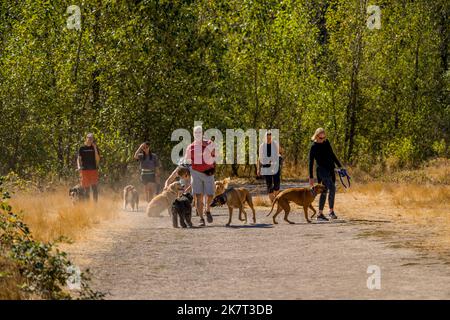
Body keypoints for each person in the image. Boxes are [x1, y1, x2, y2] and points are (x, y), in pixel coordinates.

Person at [308, 128, 344, 221]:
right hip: (321, 171)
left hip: (330, 170)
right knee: (332, 188)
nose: (322, 140)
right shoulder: (313, 147)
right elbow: (310, 162)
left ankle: (320, 214)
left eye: (324, 138)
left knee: (325, 190)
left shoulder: (326, 143)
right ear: (316, 136)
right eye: (320, 138)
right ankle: (330, 212)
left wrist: (340, 166)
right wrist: (311, 177)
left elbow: (332, 155)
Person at [184, 126, 216, 227]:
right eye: (196, 132)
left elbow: (216, 154)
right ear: (193, 134)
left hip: (208, 172)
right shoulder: (190, 147)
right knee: (198, 196)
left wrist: (206, 146)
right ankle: (202, 219)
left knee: (210, 195)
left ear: (202, 133)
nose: (198, 134)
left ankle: (207, 210)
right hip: (196, 173)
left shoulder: (209, 143)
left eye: (199, 132)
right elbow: (186, 160)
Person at [257, 131, 283, 202]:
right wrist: (258, 169)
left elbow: (280, 152)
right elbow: (259, 158)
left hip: (275, 165)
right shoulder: (262, 146)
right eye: (267, 138)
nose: (269, 139)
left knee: (277, 183)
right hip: (266, 166)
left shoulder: (275, 144)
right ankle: (273, 202)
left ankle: (277, 199)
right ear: (265, 138)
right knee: (269, 184)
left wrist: (279, 156)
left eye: (270, 137)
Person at [77, 133, 100, 202]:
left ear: (93, 139)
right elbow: (78, 158)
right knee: (86, 189)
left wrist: (95, 148)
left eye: (91, 138)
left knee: (94, 188)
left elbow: (97, 159)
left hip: (93, 170)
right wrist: (78, 166)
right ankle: (88, 205)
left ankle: (95, 206)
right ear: (86, 138)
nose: (90, 139)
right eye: (89, 138)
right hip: (84, 170)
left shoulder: (95, 148)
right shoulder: (82, 148)